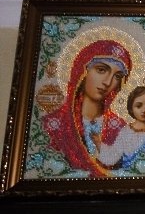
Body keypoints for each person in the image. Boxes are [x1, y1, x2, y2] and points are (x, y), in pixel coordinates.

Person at [43, 39, 131, 177]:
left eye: (117, 76)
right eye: (101, 70)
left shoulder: (120, 128)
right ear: (82, 71)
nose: (108, 82)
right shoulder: (53, 124)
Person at [97, 86, 145, 169]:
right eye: (138, 106)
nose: (143, 110)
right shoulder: (125, 131)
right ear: (131, 108)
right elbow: (114, 154)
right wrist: (98, 143)